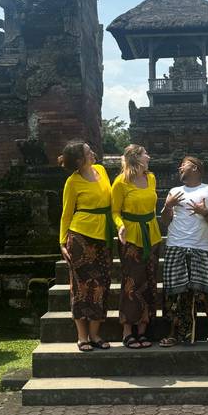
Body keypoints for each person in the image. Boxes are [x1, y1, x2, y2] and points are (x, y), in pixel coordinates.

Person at [158, 155, 208, 347]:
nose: (180, 168)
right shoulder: (175, 191)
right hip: (175, 245)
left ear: (195, 168)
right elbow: (165, 220)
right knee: (174, 293)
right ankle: (173, 334)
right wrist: (168, 206)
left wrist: (203, 211)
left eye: (183, 165)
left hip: (200, 247)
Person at [58, 140, 114, 352]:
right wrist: (62, 243)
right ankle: (82, 336)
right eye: (89, 152)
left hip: (103, 237)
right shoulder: (73, 181)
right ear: (80, 160)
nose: (93, 153)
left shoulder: (101, 170)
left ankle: (95, 333)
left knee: (102, 285)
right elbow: (66, 214)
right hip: (80, 237)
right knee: (81, 287)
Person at [111, 144, 162, 349]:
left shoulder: (151, 178)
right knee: (131, 282)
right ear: (135, 158)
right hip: (130, 236)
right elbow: (115, 212)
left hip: (152, 233)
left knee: (149, 280)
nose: (148, 156)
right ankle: (127, 329)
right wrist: (121, 226)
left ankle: (143, 328)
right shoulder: (120, 182)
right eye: (144, 153)